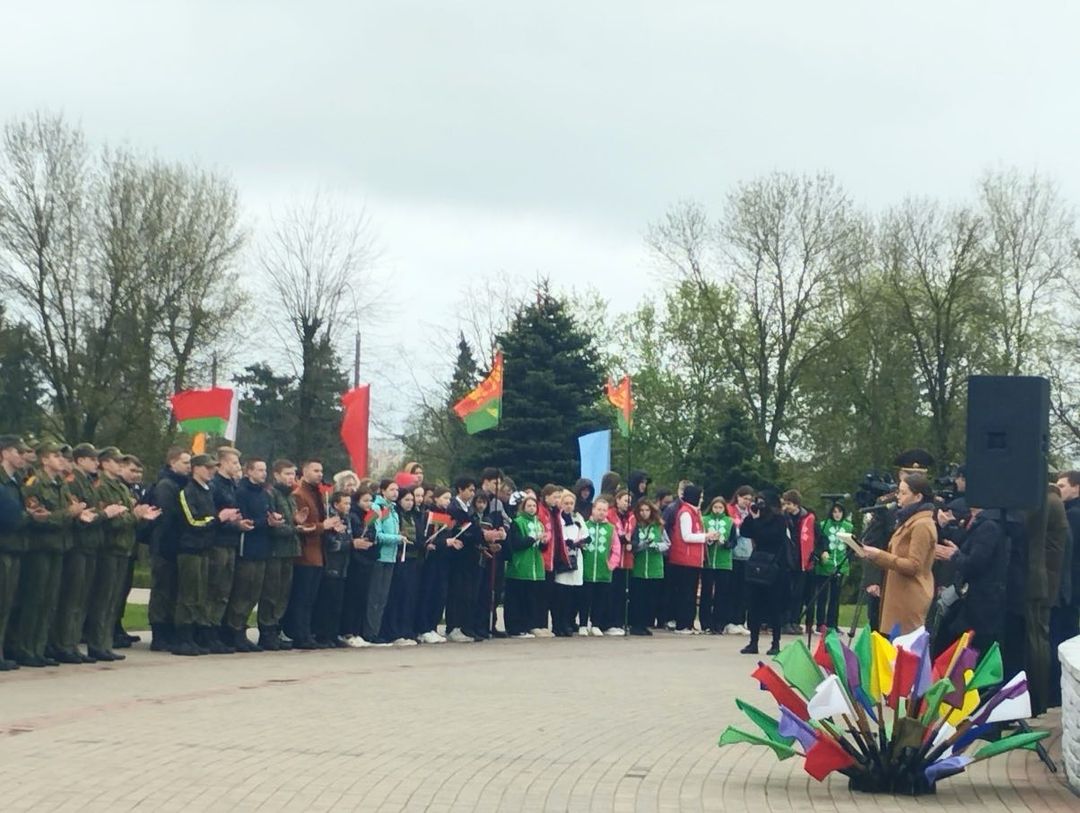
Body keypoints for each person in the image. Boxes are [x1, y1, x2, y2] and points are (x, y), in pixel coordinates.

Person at [11, 441, 89, 667]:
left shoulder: (61, 485)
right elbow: (40, 518)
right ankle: (26, 648)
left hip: (59, 547)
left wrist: (75, 514)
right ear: (44, 459)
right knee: (34, 600)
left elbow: (62, 513)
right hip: (40, 547)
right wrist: (69, 513)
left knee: (49, 601)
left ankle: (39, 647)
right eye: (55, 456)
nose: (61, 460)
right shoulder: (35, 484)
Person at [86, 447, 158, 661]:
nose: (120, 465)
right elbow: (112, 519)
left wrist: (139, 515)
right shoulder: (101, 487)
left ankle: (105, 642)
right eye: (116, 462)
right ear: (105, 463)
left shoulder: (120, 488)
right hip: (109, 547)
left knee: (112, 600)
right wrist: (135, 516)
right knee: (103, 599)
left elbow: (127, 513)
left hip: (123, 548)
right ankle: (96, 643)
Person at [172, 454, 241, 657]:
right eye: (207, 467)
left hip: (205, 548)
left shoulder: (208, 491)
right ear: (196, 468)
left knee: (201, 594)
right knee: (188, 594)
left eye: (213, 468)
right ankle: (182, 637)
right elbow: (192, 521)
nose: (211, 471)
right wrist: (218, 519)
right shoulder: (187, 491)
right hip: (189, 548)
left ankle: (196, 635)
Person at [855, 473, 937, 636]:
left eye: (903, 492)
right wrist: (872, 555)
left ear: (918, 496)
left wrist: (879, 555)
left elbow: (914, 566)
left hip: (910, 599)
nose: (898, 496)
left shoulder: (922, 524)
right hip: (899, 597)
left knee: (902, 655)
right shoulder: (909, 520)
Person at [52, 443, 106, 664]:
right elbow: (79, 514)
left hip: (90, 544)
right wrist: (102, 515)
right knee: (72, 598)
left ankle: (73, 644)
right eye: (92, 459)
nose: (96, 463)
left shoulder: (89, 482)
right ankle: (64, 644)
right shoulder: (73, 482)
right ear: (80, 460)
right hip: (77, 544)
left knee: (82, 598)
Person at [933, 504, 1009, 656]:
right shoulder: (986, 522)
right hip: (978, 599)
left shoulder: (988, 526)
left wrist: (954, 556)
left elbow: (976, 563)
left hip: (979, 601)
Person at [224, 458, 278, 652]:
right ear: (249, 472)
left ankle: (242, 628)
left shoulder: (265, 493)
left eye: (265, 470)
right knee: (243, 591)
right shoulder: (242, 492)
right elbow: (246, 520)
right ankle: (234, 630)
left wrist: (274, 519)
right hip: (247, 548)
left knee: (254, 593)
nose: (264, 473)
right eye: (260, 470)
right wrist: (266, 522)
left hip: (262, 547)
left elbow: (268, 513)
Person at [285, 459, 336, 650]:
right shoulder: (300, 495)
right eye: (315, 470)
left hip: (318, 553)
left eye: (321, 470)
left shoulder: (317, 495)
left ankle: (307, 632)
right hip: (305, 553)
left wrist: (330, 526)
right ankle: (300, 634)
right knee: (302, 597)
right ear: (304, 472)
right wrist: (324, 526)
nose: (320, 474)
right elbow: (302, 526)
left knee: (311, 597)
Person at [147, 446, 190, 652]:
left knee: (173, 590)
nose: (189, 466)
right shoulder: (166, 485)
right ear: (173, 463)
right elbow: (166, 517)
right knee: (162, 591)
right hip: (165, 544)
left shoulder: (182, 484)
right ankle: (159, 633)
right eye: (185, 462)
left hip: (176, 545)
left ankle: (169, 629)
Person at [208, 447, 250, 655]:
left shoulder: (233, 485)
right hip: (218, 542)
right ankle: (207, 631)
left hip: (231, 540)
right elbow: (212, 514)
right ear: (222, 463)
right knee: (215, 588)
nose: (237, 467)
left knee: (225, 590)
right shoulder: (215, 485)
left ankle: (216, 629)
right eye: (234, 463)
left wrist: (239, 523)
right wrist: (227, 520)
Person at [260, 460, 307, 650]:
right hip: (275, 550)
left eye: (293, 474)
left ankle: (276, 628)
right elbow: (274, 526)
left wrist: (296, 522)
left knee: (283, 593)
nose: (291, 478)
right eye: (287, 474)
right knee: (271, 592)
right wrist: (296, 528)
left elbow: (289, 520)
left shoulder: (290, 496)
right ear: (277, 475)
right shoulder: (271, 494)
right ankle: (267, 630)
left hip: (289, 550)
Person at [738, 490, 788, 656]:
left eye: (762, 502)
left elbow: (770, 537)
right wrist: (751, 517)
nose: (759, 505)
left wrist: (758, 521)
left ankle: (775, 642)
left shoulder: (779, 520)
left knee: (774, 606)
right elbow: (745, 532)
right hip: (757, 563)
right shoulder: (756, 519)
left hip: (774, 566)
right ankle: (753, 642)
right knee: (754, 605)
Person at [667, 483, 717, 634]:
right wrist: (705, 536)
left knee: (691, 592)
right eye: (700, 497)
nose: (701, 500)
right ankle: (682, 624)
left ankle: (688, 623)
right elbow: (686, 536)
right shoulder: (686, 513)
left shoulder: (695, 512)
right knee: (685, 593)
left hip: (694, 559)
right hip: (684, 559)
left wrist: (708, 538)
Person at [0, 437, 30, 671]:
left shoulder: (15, 481)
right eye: (19, 451)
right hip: (4, 545)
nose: (23, 456)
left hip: (15, 546)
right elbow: (10, 515)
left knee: (8, 603)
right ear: (5, 452)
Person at [313, 491, 356, 648]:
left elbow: (349, 537)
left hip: (344, 565)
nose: (348, 506)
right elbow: (331, 544)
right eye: (345, 503)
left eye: (349, 503)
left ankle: (333, 633)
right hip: (331, 565)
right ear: (336, 504)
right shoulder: (329, 519)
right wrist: (349, 544)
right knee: (327, 602)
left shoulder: (347, 519)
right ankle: (323, 634)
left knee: (338, 603)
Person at [365, 479, 404, 646]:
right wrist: (398, 539)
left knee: (383, 598)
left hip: (391, 557)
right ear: (382, 491)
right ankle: (370, 632)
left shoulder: (393, 509)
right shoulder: (376, 508)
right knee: (374, 597)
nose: (395, 492)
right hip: (379, 556)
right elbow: (376, 533)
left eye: (397, 490)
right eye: (391, 489)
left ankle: (378, 630)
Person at [445, 476, 483, 643]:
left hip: (471, 555)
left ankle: (466, 626)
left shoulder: (470, 509)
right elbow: (457, 530)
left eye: (473, 490)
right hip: (457, 555)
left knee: (468, 593)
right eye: (469, 490)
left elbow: (475, 529)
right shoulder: (453, 508)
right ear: (460, 490)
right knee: (457, 592)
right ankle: (453, 626)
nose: (472, 493)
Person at [383, 487, 422, 646]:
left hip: (414, 558)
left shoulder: (414, 516)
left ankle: (407, 630)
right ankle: (394, 631)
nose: (410, 503)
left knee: (410, 596)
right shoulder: (394, 514)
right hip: (399, 558)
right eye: (407, 500)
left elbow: (420, 535)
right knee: (398, 595)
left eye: (412, 500)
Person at [504, 494, 547, 637]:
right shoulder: (517, 522)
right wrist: (533, 538)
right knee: (517, 599)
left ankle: (528, 625)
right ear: (523, 507)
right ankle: (515, 628)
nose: (532, 508)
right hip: (520, 566)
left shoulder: (539, 524)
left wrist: (543, 543)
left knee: (530, 599)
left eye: (534, 506)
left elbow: (541, 549)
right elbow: (517, 544)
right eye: (529, 506)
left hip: (535, 567)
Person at [415, 486, 453, 644]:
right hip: (431, 560)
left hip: (443, 559)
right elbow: (428, 538)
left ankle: (432, 626)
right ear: (436, 498)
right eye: (444, 498)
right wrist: (445, 541)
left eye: (449, 499)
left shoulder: (447, 515)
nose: (447, 501)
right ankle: (423, 628)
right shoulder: (429, 514)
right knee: (428, 593)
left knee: (440, 594)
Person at [341, 486, 377, 647]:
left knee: (363, 597)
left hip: (367, 558)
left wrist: (371, 537)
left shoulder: (369, 516)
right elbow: (355, 534)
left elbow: (372, 532)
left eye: (371, 500)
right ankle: (348, 631)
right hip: (356, 560)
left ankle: (357, 630)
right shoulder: (353, 515)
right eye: (365, 500)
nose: (369, 503)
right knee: (353, 598)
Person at [810, 502, 853, 634]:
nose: (837, 514)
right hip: (825, 566)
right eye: (834, 512)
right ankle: (820, 623)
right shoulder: (823, 526)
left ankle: (832, 624)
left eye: (839, 512)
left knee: (835, 597)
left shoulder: (848, 527)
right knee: (822, 596)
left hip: (840, 565)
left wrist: (847, 563)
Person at [780, 490, 817, 635]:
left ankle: (794, 621)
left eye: (788, 503)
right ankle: (785, 621)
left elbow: (818, 537)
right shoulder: (783, 518)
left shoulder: (808, 518)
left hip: (801, 561)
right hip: (787, 560)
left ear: (796, 504)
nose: (786, 507)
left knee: (798, 594)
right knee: (786, 593)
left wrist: (816, 553)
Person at [628, 500, 668, 635]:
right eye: (641, 511)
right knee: (638, 598)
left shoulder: (659, 526)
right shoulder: (636, 527)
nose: (644, 513)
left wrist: (656, 546)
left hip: (654, 567)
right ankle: (636, 624)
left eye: (647, 510)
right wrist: (641, 545)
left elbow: (667, 544)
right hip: (639, 568)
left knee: (651, 599)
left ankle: (645, 624)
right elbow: (632, 546)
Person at [554, 490, 588, 637]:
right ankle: (558, 624)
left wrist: (580, 541)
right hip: (564, 556)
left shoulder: (578, 517)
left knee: (573, 592)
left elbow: (585, 534)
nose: (568, 506)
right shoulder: (559, 518)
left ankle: (568, 622)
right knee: (561, 592)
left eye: (571, 503)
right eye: (566, 503)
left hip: (576, 555)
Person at [580, 497, 615, 636]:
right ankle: (583, 624)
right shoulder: (584, 526)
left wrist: (612, 563)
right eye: (599, 509)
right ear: (593, 510)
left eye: (604, 510)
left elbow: (616, 548)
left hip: (603, 570)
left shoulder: (611, 528)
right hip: (587, 569)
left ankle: (596, 624)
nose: (601, 512)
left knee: (600, 598)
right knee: (585, 598)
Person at [700, 496, 735, 635]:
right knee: (706, 592)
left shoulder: (730, 522)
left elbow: (733, 541)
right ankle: (705, 623)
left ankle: (719, 623)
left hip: (723, 562)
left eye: (720, 508)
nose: (718, 510)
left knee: (722, 593)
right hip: (708, 562)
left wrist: (725, 544)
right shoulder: (705, 520)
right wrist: (709, 540)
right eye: (715, 507)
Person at [724, 486, 755, 636]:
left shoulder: (751, 512)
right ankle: (730, 621)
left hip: (747, 553)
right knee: (733, 589)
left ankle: (740, 621)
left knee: (744, 590)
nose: (747, 502)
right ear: (738, 497)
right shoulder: (730, 510)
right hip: (733, 554)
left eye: (749, 499)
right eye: (745, 498)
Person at [607, 489, 636, 634]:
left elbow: (634, 534)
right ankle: (610, 623)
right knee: (612, 592)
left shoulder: (631, 516)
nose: (627, 504)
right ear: (617, 500)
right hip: (614, 560)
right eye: (625, 500)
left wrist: (633, 543)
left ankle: (620, 622)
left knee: (623, 594)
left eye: (629, 501)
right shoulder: (610, 514)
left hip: (627, 560)